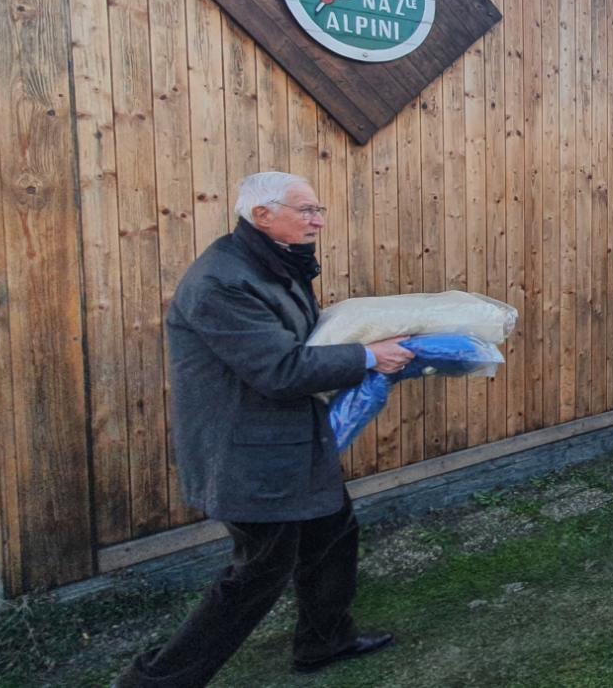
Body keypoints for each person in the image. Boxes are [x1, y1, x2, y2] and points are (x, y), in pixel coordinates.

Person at [117, 172, 410, 687]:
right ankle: (154, 683)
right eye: (306, 210)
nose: (318, 220)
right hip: (249, 456)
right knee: (257, 575)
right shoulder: (222, 281)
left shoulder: (271, 262)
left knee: (333, 530)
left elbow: (297, 340)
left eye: (319, 210)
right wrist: (367, 356)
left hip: (289, 442)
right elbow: (280, 371)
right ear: (263, 215)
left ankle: (324, 641)